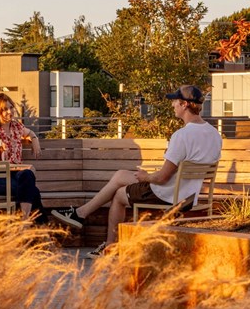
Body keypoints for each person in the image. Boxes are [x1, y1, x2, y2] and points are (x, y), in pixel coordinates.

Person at [51, 85, 222, 256]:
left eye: (175, 102)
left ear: (184, 104)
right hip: (188, 196)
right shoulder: (214, 134)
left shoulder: (182, 136)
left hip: (167, 195)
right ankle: (81, 214)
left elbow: (162, 178)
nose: (173, 105)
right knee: (120, 176)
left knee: (119, 194)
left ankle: (110, 245)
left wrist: (145, 176)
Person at [0, 93, 45, 220]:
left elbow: (30, 132)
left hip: (17, 177)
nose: (9, 112)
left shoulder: (16, 127)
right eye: (4, 109)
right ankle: (34, 227)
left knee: (26, 176)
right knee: (33, 191)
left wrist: (35, 140)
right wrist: (24, 167)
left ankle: (26, 224)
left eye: (11, 107)